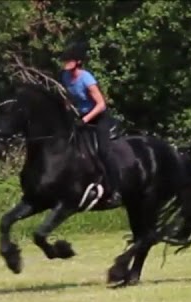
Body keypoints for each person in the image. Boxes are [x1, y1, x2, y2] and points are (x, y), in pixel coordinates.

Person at [60, 41, 122, 204]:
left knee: (103, 151)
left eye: (69, 60)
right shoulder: (65, 77)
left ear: (78, 62)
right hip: (81, 117)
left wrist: (85, 119)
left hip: (98, 117)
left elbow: (101, 104)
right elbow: (69, 96)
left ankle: (116, 190)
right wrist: (66, 109)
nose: (65, 63)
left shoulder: (86, 79)